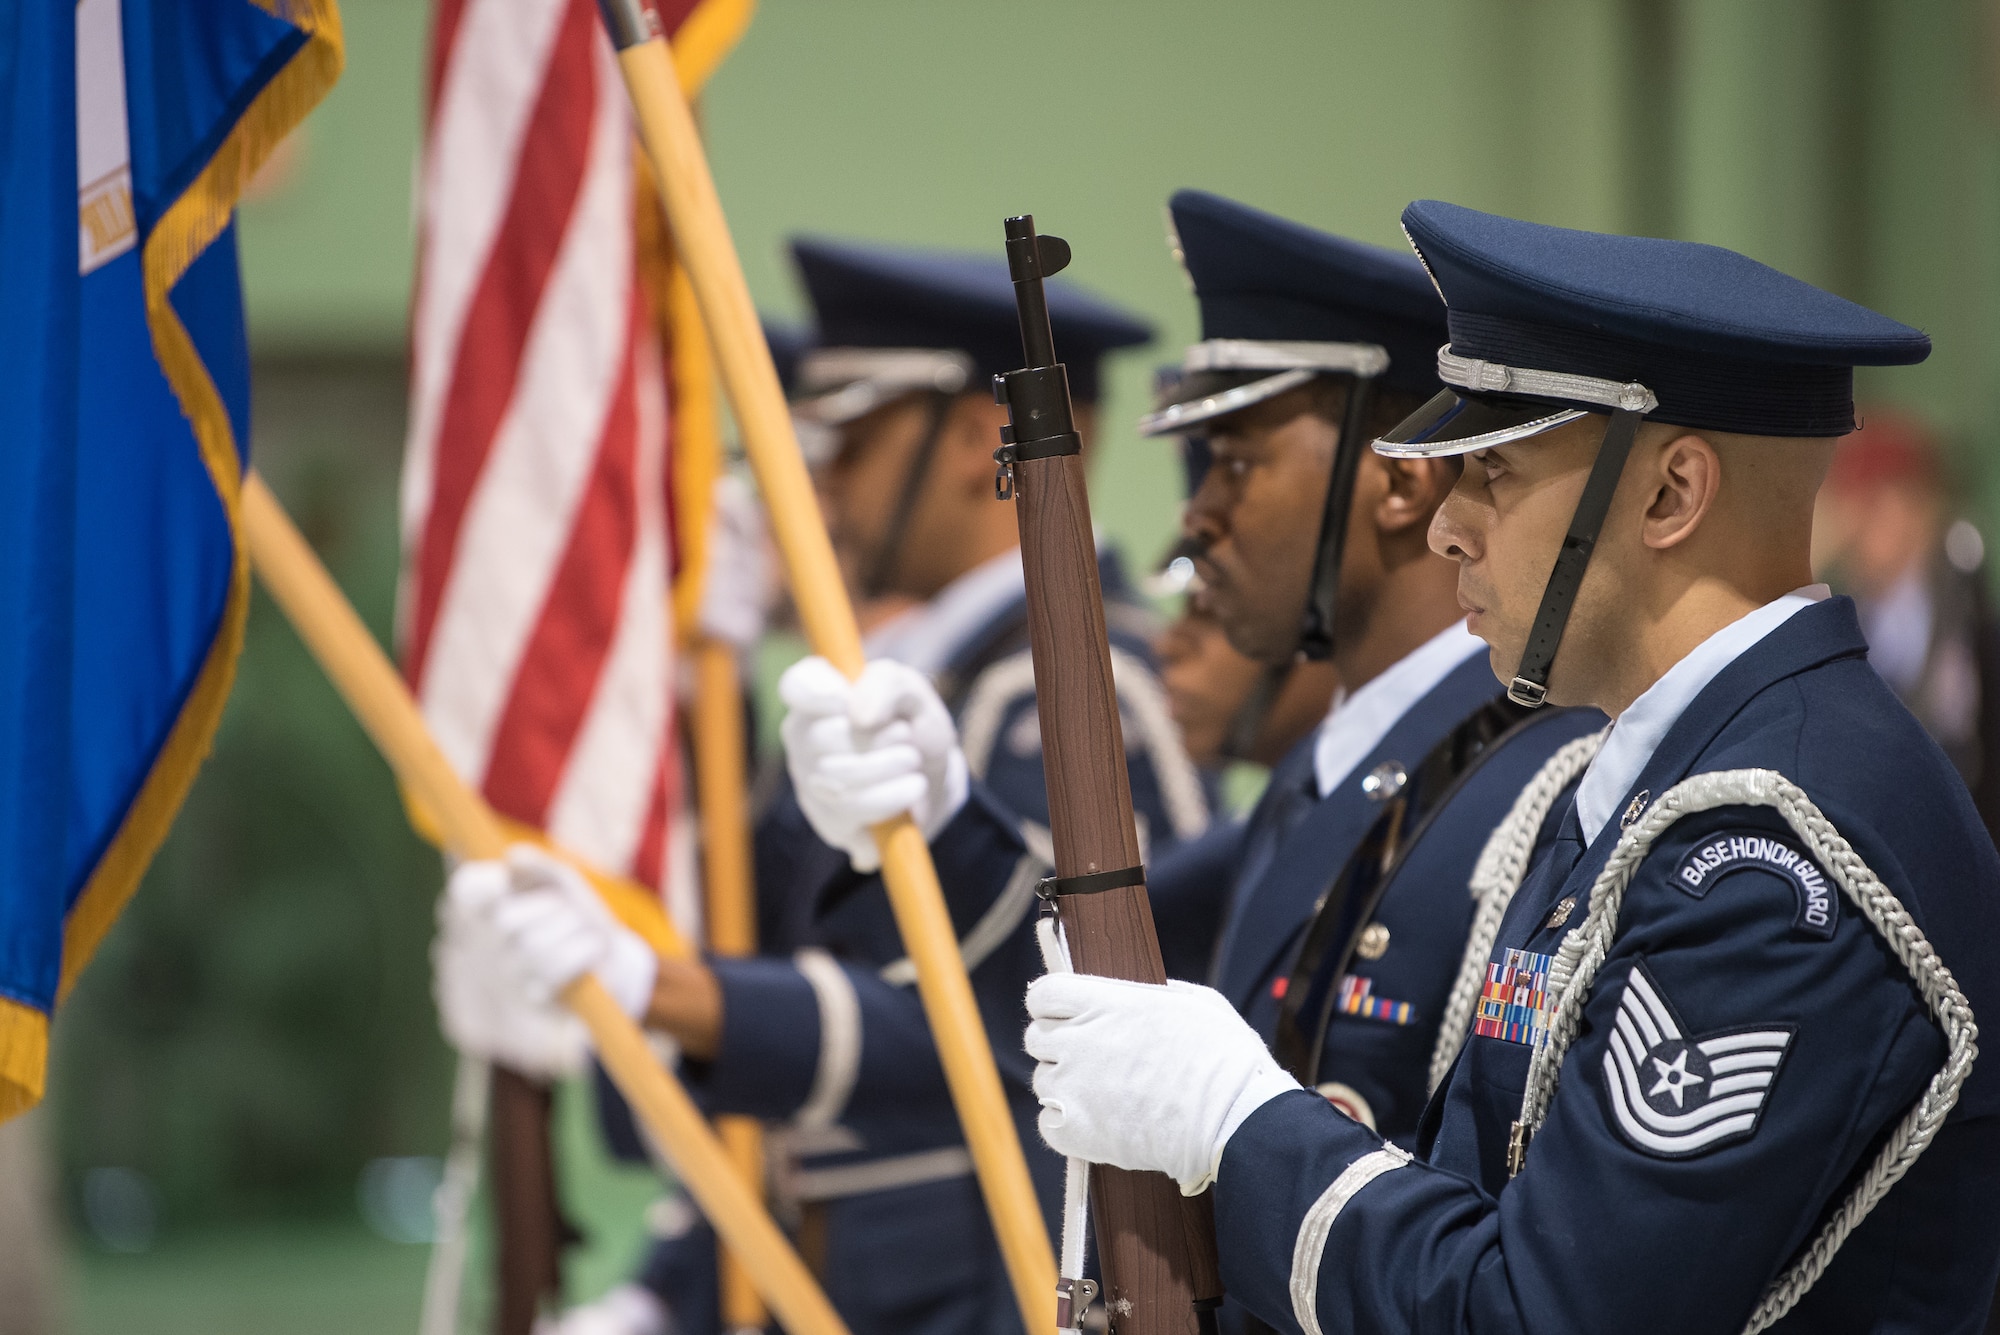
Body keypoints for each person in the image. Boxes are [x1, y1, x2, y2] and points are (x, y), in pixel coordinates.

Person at [1025, 201, 2000, 1333]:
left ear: (1666, 494)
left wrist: (1241, 1127)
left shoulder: (1766, 851)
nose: (1445, 531)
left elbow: (1543, 1313)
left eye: (1489, 473)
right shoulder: (1665, 776)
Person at [441, 238, 1207, 1335]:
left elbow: (1019, 1028)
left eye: (842, 439)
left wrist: (661, 991)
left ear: (964, 441)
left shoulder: (1070, 690)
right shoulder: (928, 687)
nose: (815, 486)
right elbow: (776, 1009)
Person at [1134, 191, 1601, 1150]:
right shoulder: (1329, 766)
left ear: (1400, 480)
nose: (1197, 516)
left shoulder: (1542, 781)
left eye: (1237, 463)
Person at [1815, 409, 2000, 837]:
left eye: (1869, 503)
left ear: (1915, 506)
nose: (1851, 525)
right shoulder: (1856, 620)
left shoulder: (1961, 618)